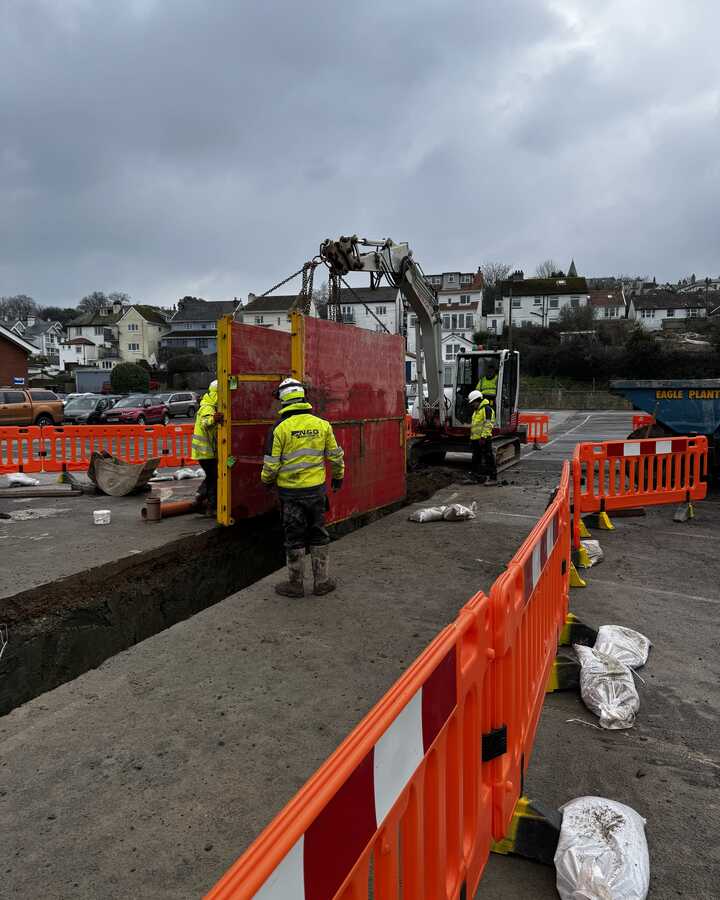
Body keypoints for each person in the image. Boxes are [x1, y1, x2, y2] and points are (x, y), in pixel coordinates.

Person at [261, 377, 345, 598]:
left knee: (294, 537)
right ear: (303, 397)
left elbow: (271, 465)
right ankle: (322, 583)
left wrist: (266, 482)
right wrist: (338, 476)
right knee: (318, 533)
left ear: (283, 400)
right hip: (316, 491)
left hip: (291, 494)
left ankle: (296, 585)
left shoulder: (279, 429)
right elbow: (335, 456)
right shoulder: (322, 424)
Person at [191, 380, 223, 514]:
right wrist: (214, 419)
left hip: (207, 452)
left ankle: (200, 498)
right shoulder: (207, 407)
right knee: (214, 477)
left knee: (212, 476)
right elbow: (205, 423)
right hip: (205, 453)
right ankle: (211, 505)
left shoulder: (209, 405)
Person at [468, 389, 497, 485]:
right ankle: (477, 477)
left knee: (488, 458)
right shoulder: (477, 411)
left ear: (478, 400)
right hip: (476, 439)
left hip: (484, 439)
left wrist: (483, 437)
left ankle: (493, 478)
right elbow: (475, 426)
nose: (472, 405)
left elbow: (488, 425)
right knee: (476, 459)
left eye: (473, 403)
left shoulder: (487, 410)